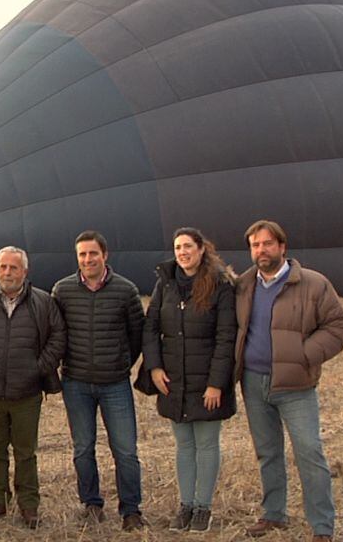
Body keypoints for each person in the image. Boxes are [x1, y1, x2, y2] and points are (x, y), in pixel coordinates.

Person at [235, 220, 343, 542]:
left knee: (309, 452)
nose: (261, 250)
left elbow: (338, 326)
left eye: (268, 244)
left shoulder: (313, 284)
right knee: (267, 452)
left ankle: (322, 526)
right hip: (254, 384)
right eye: (256, 245)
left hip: (296, 385)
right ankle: (274, 514)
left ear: (282, 247)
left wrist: (304, 354)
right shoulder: (243, 285)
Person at [0, 246, 66, 529]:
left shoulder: (43, 302)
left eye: (13, 268)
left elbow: (57, 338)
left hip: (26, 392)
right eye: (3, 267)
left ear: (25, 272)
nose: (7, 273)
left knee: (25, 452)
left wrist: (38, 368)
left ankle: (29, 505)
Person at [142, 227, 237, 533]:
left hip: (207, 379)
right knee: (184, 445)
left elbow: (226, 337)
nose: (182, 252)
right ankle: (185, 505)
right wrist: (154, 368)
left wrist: (216, 383)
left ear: (201, 249)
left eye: (188, 247)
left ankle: (203, 508)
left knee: (207, 444)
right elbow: (151, 328)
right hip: (174, 378)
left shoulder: (220, 285)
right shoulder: (165, 284)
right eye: (178, 247)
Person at [51, 231, 146, 530]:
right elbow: (57, 333)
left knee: (126, 449)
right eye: (82, 254)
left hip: (114, 383)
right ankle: (91, 503)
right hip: (76, 382)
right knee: (82, 447)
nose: (87, 259)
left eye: (93, 253)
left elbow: (137, 335)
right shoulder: (62, 290)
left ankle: (131, 509)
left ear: (105, 255)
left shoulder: (125, 290)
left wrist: (120, 363)